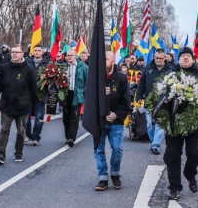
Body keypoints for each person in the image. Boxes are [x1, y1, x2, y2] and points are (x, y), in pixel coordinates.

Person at [164, 47, 198, 200]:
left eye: (188, 55)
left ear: (193, 59)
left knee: (194, 153)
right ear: (178, 60)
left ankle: (190, 173)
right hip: (173, 123)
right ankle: (174, 187)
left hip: (193, 123)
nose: (185, 58)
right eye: (183, 56)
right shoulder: (170, 76)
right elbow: (159, 97)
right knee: (172, 156)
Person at [94, 51, 131, 191]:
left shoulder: (121, 78)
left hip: (115, 121)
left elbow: (126, 102)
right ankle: (102, 177)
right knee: (98, 149)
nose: (104, 63)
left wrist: (116, 115)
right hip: (100, 120)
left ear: (113, 61)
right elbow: (89, 96)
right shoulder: (96, 77)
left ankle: (115, 173)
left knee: (117, 149)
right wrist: (101, 95)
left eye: (106, 59)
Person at [0, 44, 36, 164]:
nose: (15, 54)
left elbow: (33, 89)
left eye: (17, 52)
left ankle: (18, 153)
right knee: (4, 130)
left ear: (23, 54)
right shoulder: (5, 68)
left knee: (21, 131)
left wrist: (26, 101)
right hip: (7, 105)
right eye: (13, 52)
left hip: (22, 106)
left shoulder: (29, 69)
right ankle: (0, 154)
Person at [136, 48, 175, 154]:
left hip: (164, 102)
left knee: (160, 124)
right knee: (150, 124)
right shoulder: (147, 68)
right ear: (154, 57)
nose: (159, 60)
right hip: (149, 102)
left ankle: (156, 145)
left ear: (165, 58)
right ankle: (154, 140)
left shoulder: (170, 70)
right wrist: (138, 97)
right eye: (157, 58)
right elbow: (141, 84)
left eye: (161, 58)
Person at [24, 45, 50, 146]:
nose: (37, 52)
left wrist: (47, 78)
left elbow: (53, 79)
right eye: (35, 50)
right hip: (28, 93)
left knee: (39, 116)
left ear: (42, 52)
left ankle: (36, 137)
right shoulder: (26, 62)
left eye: (39, 50)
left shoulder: (48, 63)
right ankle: (27, 135)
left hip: (42, 93)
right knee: (26, 116)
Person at [63, 49, 88, 146]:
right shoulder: (63, 66)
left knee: (74, 116)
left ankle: (71, 138)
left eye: (71, 55)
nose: (69, 57)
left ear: (75, 56)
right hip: (65, 93)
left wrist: (84, 92)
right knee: (66, 117)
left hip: (77, 94)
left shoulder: (82, 66)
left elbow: (88, 79)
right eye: (67, 55)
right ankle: (67, 136)